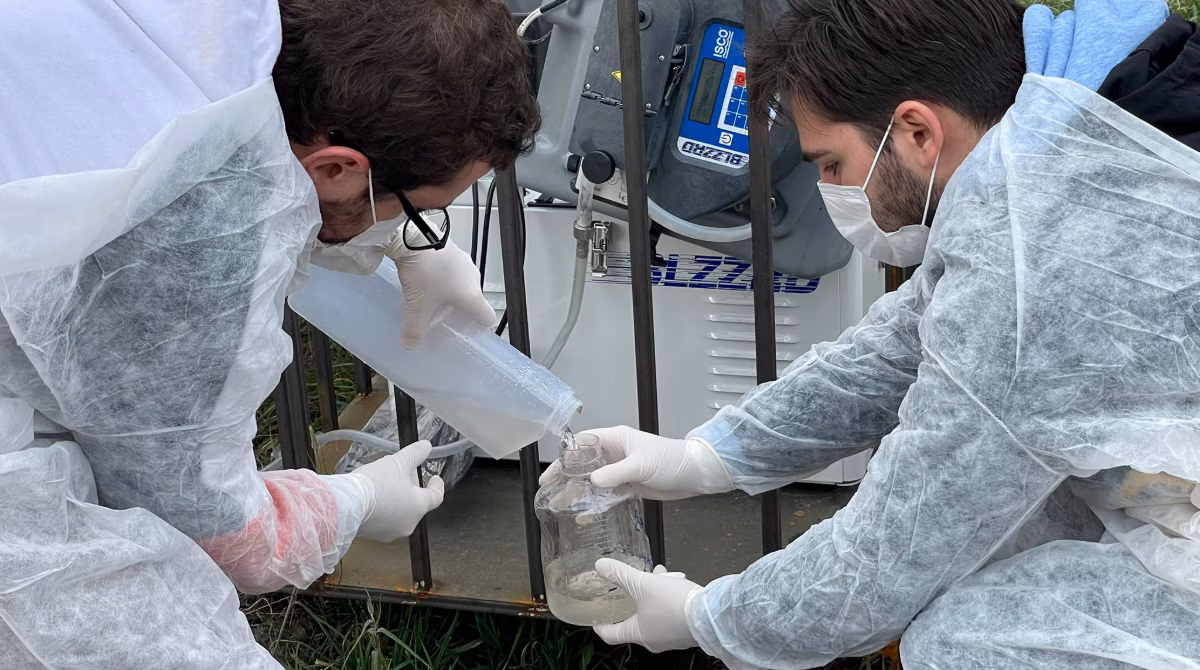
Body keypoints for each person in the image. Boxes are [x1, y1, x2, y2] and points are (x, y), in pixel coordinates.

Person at [540, 0, 1200, 667]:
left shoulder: (1042, 257)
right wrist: (705, 458)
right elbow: (908, 342)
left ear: (917, 132)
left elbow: (894, 550)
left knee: (963, 643)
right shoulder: (1098, 121)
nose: (831, 190)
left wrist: (706, 617)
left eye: (830, 165)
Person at [0, 0, 538, 667]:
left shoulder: (222, 32)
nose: (417, 226)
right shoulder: (191, 256)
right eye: (424, 213)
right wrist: (356, 502)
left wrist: (396, 237)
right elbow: (204, 516)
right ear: (338, 167)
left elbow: (250, 167)